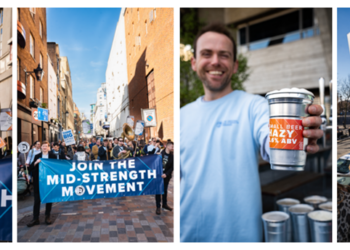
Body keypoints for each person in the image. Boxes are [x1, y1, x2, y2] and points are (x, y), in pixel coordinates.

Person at [180, 23, 324, 242]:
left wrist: (298, 134)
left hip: (242, 238)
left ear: (235, 65)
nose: (215, 61)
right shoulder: (181, 115)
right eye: (206, 54)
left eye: (224, 55)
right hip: (187, 236)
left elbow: (272, 139)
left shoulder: (254, 106)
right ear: (194, 62)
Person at [27, 141, 65, 227]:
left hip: (48, 181)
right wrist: (36, 162)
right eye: (43, 146)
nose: (44, 147)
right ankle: (35, 218)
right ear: (41, 147)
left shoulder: (52, 156)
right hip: (39, 181)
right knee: (37, 200)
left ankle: (47, 217)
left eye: (46, 146)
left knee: (49, 198)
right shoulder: (37, 156)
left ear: (48, 147)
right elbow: (31, 167)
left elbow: (56, 167)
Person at [155, 141, 174, 215]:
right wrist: (160, 173)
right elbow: (154, 164)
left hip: (166, 176)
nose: (173, 148)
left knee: (165, 190)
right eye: (172, 146)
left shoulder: (172, 156)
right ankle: (158, 207)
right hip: (158, 176)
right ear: (167, 146)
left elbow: (172, 167)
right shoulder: (159, 154)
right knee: (158, 191)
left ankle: (164, 204)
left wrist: (166, 174)